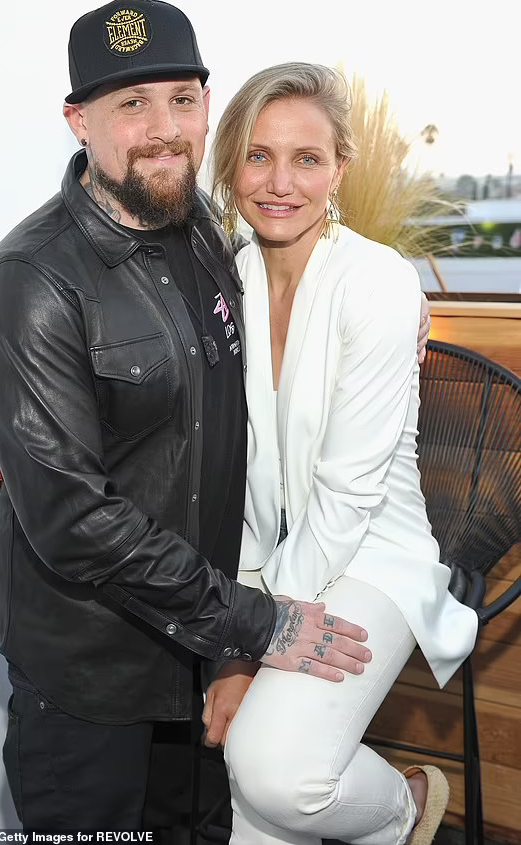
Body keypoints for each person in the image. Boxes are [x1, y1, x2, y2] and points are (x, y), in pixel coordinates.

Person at [0, 0, 403, 836]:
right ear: (79, 121)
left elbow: (288, 315)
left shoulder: (204, 229)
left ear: (207, 104)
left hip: (201, 654)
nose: (164, 129)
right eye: (132, 103)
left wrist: (396, 314)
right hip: (96, 677)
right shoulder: (29, 280)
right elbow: (75, 521)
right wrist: (257, 624)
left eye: (182, 98)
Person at [196, 63, 478, 845]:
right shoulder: (223, 280)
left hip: (372, 554)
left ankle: (402, 808)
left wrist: (251, 641)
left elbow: (347, 498)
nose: (280, 182)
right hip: (266, 559)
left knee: (274, 770)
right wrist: (30, 437)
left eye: (307, 158)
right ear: (232, 162)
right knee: (256, 777)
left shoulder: (377, 284)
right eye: (259, 155)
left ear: (339, 168)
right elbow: (213, 455)